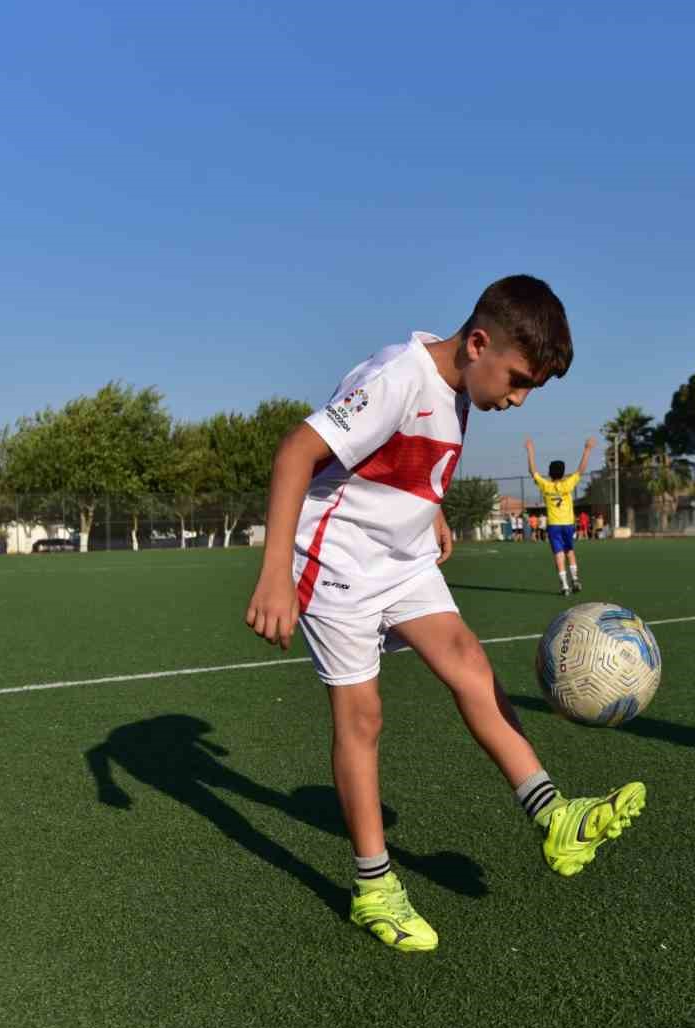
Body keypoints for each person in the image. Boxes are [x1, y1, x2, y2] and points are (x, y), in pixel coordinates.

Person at [243, 275, 644, 953]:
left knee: (469, 663)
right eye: (517, 381)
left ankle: (555, 816)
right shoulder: (399, 375)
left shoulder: (460, 385)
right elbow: (296, 452)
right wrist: (275, 573)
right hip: (337, 560)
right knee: (362, 716)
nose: (516, 400)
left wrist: (427, 513)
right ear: (479, 343)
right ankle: (374, 886)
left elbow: (407, 460)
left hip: (400, 559)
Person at [527, 436, 594, 595]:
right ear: (563, 472)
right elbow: (581, 470)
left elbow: (532, 471)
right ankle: (575, 579)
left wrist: (530, 451)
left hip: (554, 525)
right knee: (569, 551)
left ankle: (564, 586)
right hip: (568, 523)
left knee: (558, 553)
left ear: (550, 473)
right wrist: (587, 449)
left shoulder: (546, 485)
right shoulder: (567, 484)